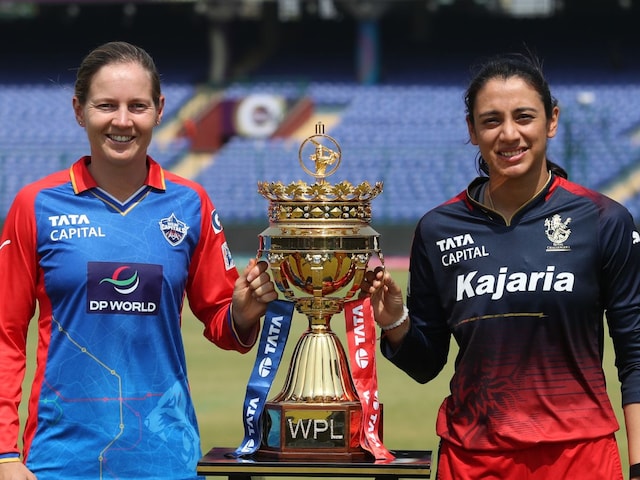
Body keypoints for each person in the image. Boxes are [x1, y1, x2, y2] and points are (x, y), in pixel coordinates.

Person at [0, 41, 277, 480]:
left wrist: (243, 312)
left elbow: (226, 328)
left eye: (138, 106)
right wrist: (3, 455)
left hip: (166, 456)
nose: (123, 121)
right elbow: (5, 336)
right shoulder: (36, 205)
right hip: (58, 460)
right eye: (106, 105)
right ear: (79, 109)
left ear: (160, 109)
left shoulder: (191, 204)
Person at [364, 52, 640, 480]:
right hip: (472, 459)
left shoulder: (603, 219)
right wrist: (396, 321)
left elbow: (636, 354)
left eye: (524, 116)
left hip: (578, 458)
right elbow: (426, 365)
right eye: (491, 121)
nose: (509, 134)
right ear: (472, 131)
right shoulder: (438, 229)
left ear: (551, 121)